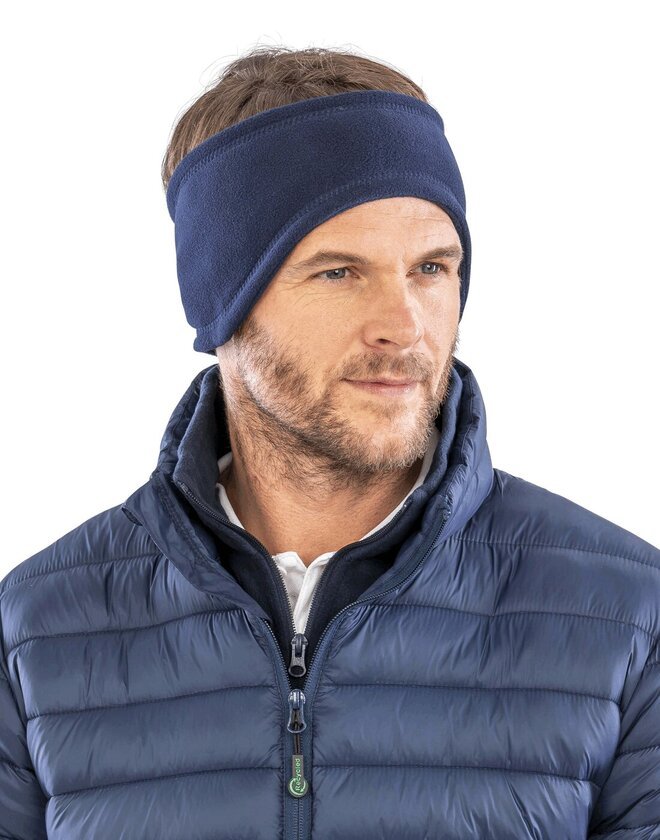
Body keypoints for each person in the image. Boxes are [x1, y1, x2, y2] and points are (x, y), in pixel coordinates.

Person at [1, 45, 658, 840]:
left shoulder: (628, 618)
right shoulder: (38, 631)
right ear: (223, 304)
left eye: (431, 268)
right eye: (338, 272)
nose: (404, 327)